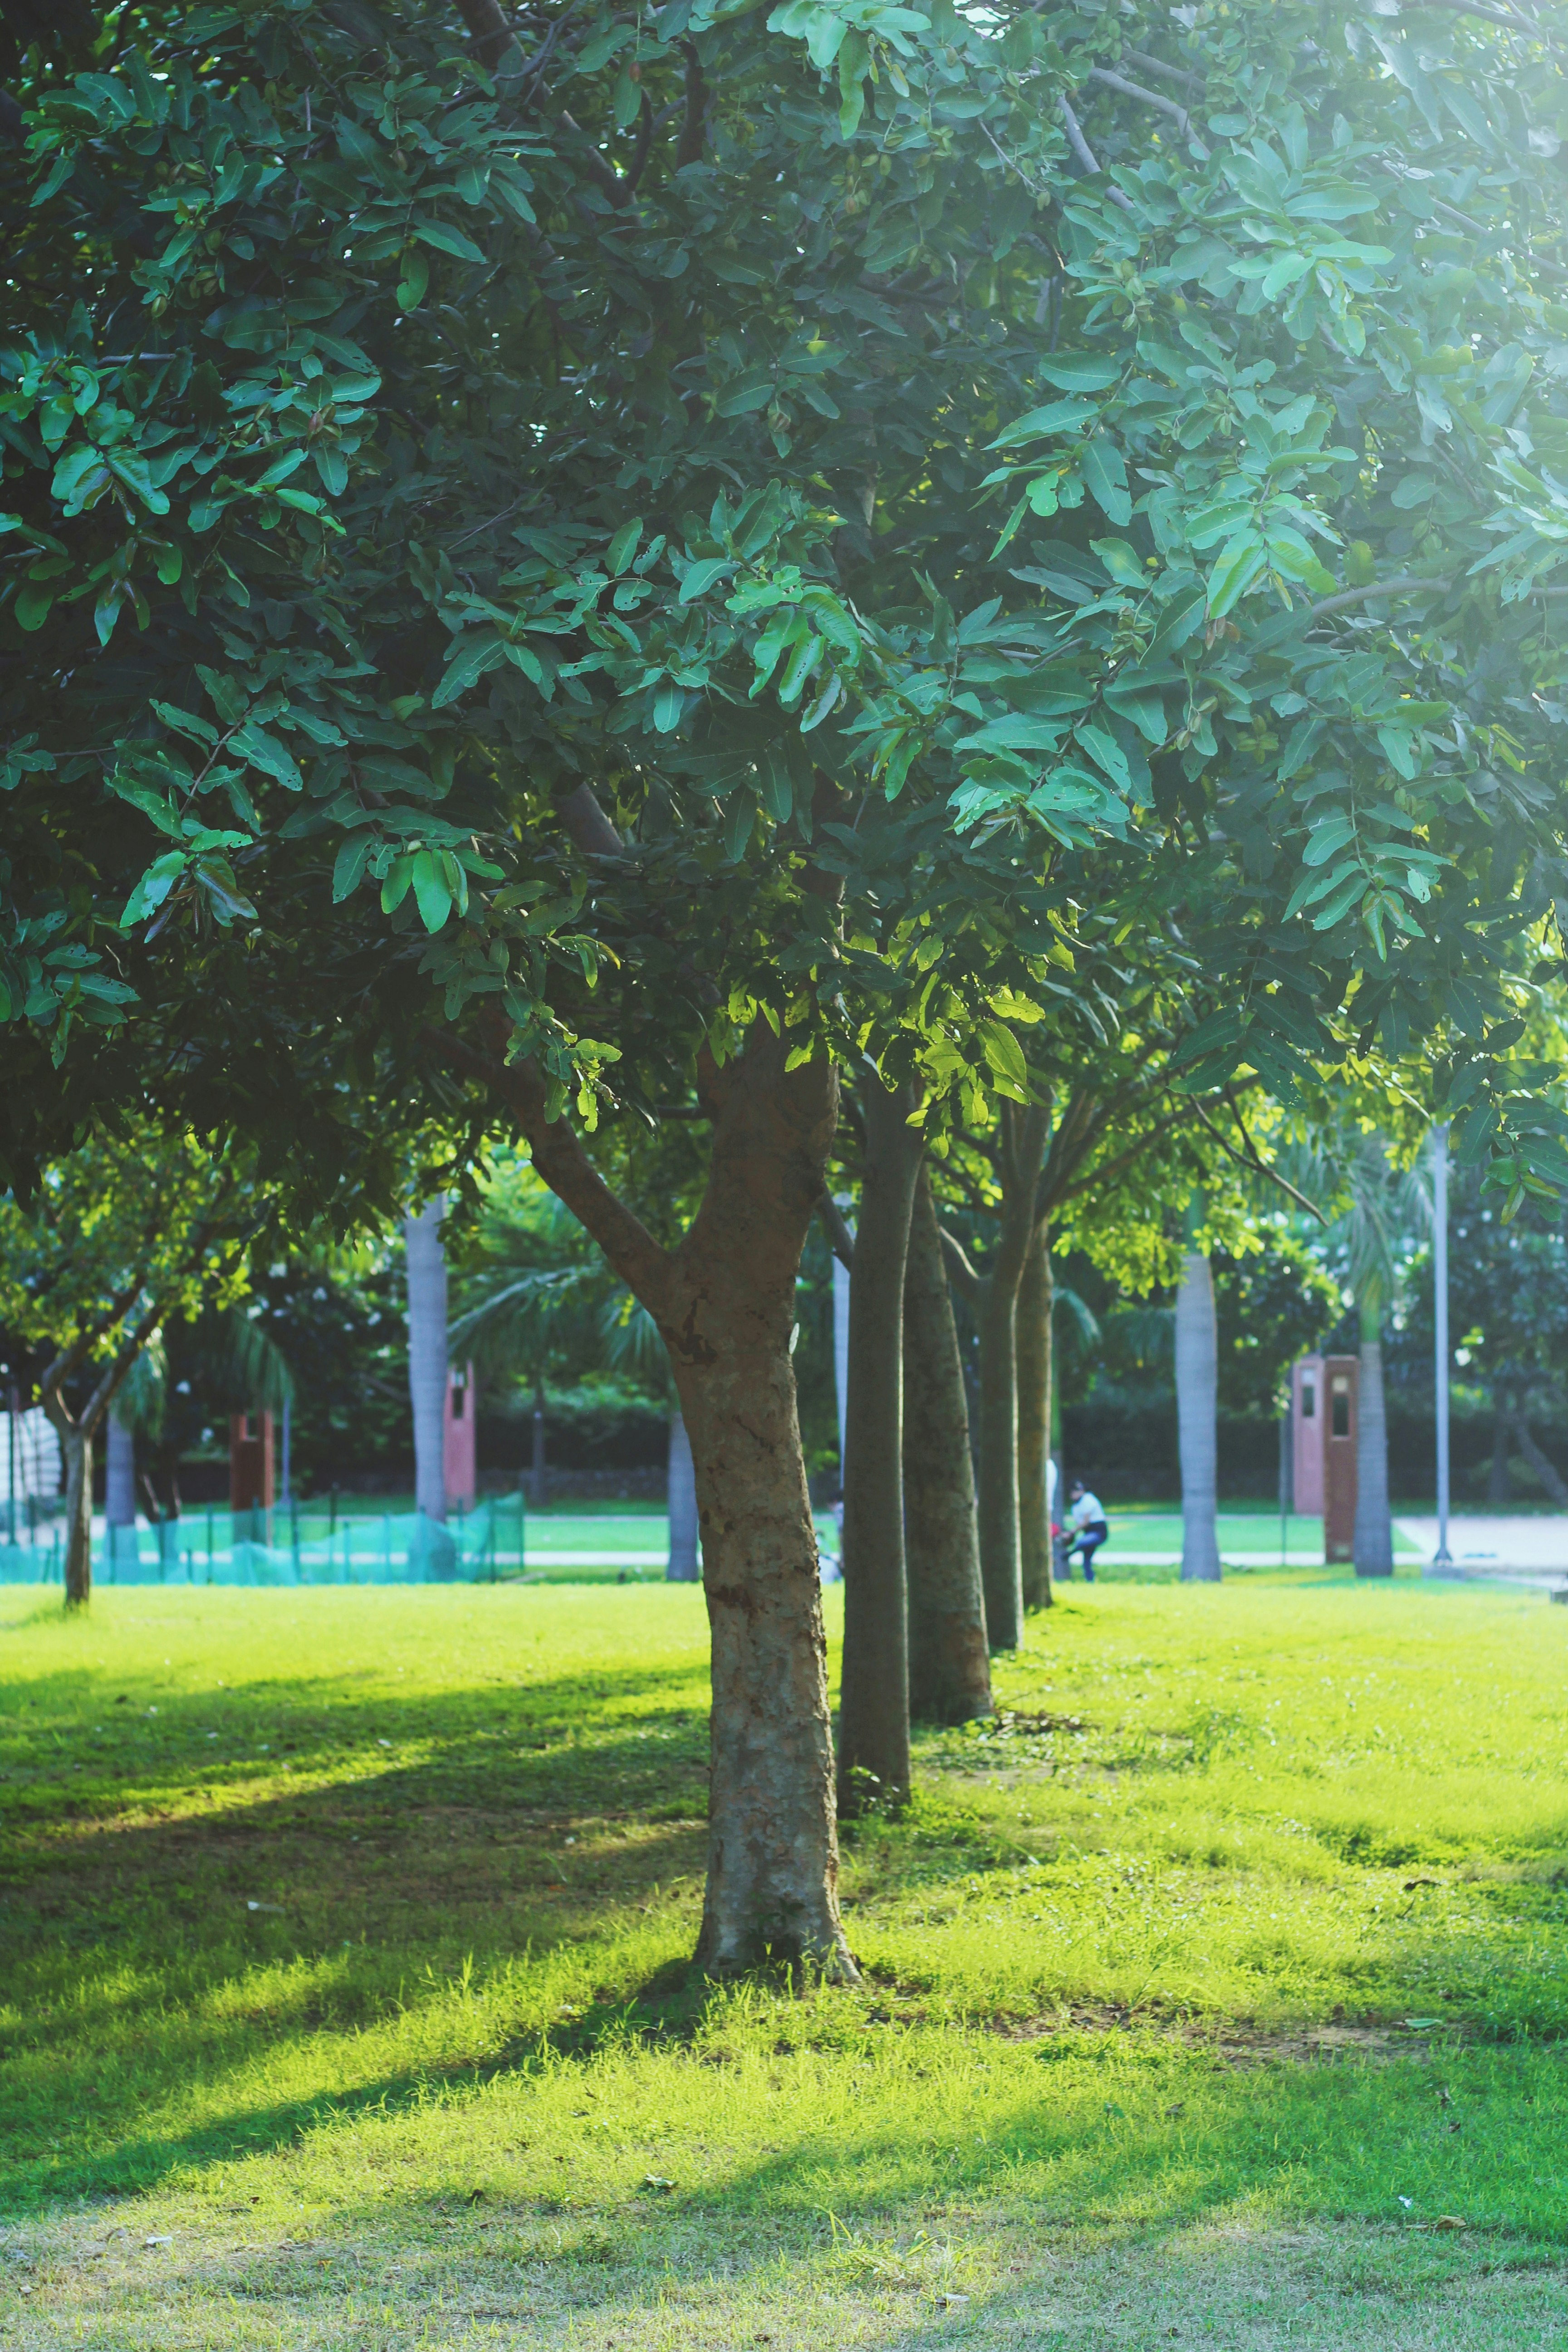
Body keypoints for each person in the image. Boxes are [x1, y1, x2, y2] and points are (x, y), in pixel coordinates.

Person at [1062, 1480, 1109, 1582]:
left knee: (1082, 1543)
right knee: (1086, 1560)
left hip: (1098, 1532)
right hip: (1088, 1532)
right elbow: (1080, 1523)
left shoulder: (1088, 1499)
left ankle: (1069, 1554)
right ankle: (1090, 1580)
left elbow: (1086, 1522)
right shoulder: (1076, 1506)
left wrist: (1072, 1532)